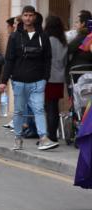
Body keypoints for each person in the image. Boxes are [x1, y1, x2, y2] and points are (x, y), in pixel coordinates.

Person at [0, 5, 58, 151]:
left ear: (35, 17)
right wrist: (3, 81)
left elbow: (48, 58)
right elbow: (9, 60)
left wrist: (45, 77)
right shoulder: (15, 36)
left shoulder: (42, 36)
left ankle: (43, 138)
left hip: (38, 81)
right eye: (25, 15)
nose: (28, 18)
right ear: (22, 17)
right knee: (19, 111)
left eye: (31, 15)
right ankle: (18, 138)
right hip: (19, 81)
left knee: (38, 109)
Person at [43, 15, 68, 143]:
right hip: (59, 78)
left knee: (49, 107)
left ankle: (51, 135)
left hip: (49, 77)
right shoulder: (63, 41)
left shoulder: (48, 39)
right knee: (54, 106)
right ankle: (53, 133)